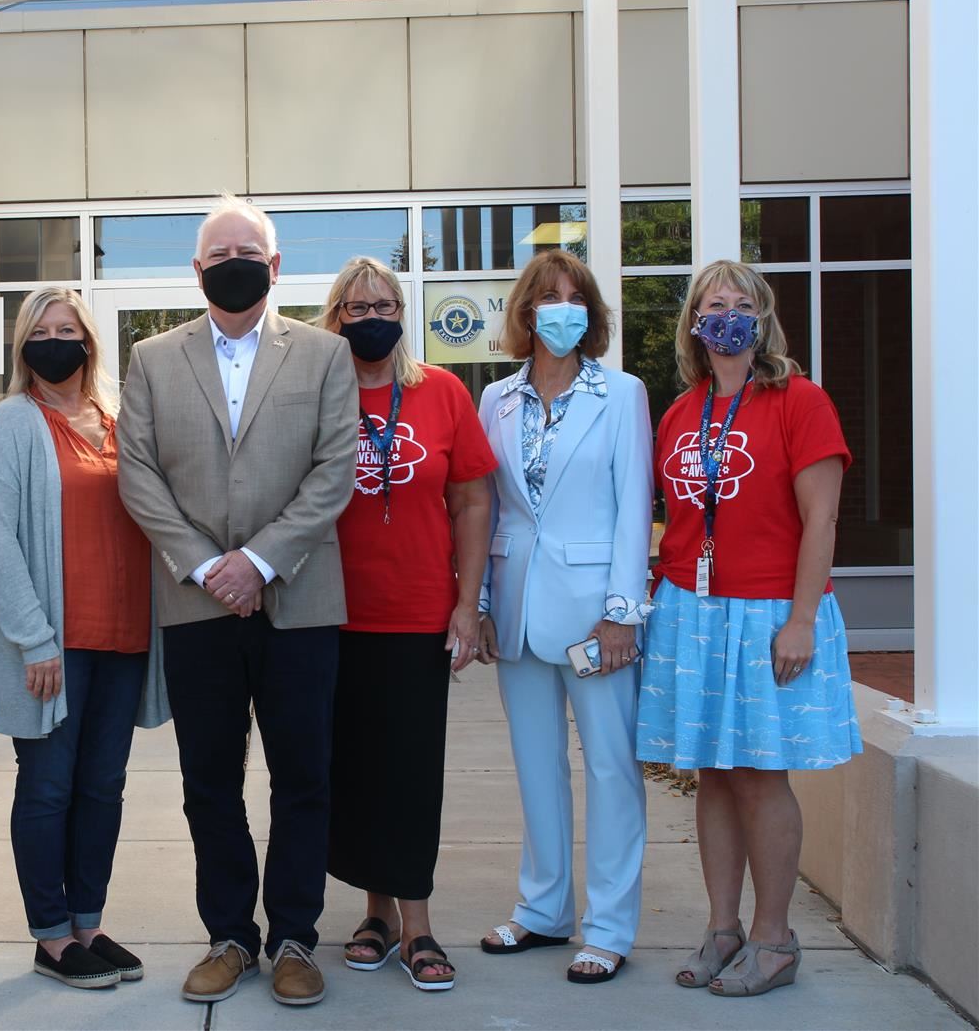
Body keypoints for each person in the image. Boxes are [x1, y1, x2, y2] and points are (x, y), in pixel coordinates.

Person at [118, 194, 358, 1008]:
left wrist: (257, 562)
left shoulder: (324, 356)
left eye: (246, 251)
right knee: (209, 782)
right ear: (196, 270)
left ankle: (294, 938)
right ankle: (229, 935)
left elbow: (335, 473)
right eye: (217, 254)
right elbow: (138, 474)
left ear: (276, 264)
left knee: (303, 778)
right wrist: (206, 567)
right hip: (197, 607)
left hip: (299, 601)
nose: (233, 264)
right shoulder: (152, 359)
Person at [638, 259, 859, 997]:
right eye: (712, 303)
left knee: (762, 775)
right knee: (713, 773)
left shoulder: (800, 401)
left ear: (762, 318)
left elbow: (821, 519)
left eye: (741, 303)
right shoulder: (680, 411)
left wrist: (801, 620)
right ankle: (723, 927)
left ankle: (775, 937)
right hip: (692, 610)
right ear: (695, 324)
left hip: (770, 612)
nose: (726, 314)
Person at [0, 287, 172, 990]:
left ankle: (89, 922)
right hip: (54, 647)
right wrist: (32, 638)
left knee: (104, 787)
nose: (56, 341)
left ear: (90, 341)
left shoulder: (120, 420)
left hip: (124, 637)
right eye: (41, 330)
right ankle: (52, 935)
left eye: (69, 329)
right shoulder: (11, 424)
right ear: (24, 345)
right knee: (50, 787)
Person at [473, 249, 653, 986]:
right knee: (536, 768)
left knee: (611, 769)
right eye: (548, 295)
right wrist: (482, 602)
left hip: (593, 618)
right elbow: (485, 509)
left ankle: (608, 927)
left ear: (593, 314)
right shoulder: (496, 399)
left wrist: (621, 613)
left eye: (576, 297)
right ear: (525, 311)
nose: (562, 308)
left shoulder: (624, 394)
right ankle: (544, 910)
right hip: (517, 609)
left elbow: (634, 509)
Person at [317, 257, 495, 993]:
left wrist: (468, 601)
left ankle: (419, 924)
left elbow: (475, 502)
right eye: (356, 307)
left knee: (411, 775)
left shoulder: (444, 392)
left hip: (418, 614)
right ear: (335, 319)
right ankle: (377, 914)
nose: (371, 317)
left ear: (404, 313)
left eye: (384, 303)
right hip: (329, 617)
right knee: (353, 774)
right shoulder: (315, 395)